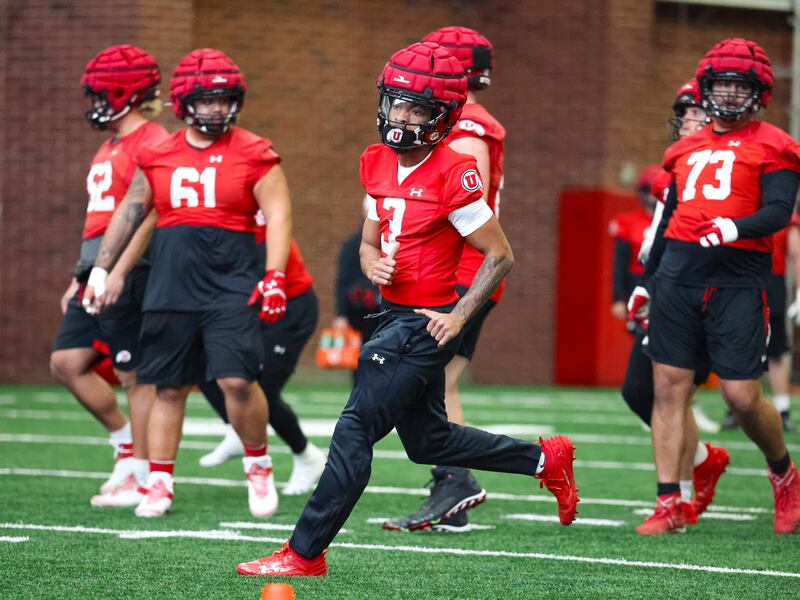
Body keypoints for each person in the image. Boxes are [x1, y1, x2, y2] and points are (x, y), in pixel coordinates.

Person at [236, 41, 578, 577]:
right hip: (391, 313)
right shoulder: (375, 160)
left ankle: (304, 553)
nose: (401, 117)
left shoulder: (454, 171)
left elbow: (500, 255)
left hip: (422, 323)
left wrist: (459, 316)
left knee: (354, 429)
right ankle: (543, 460)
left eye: (417, 109)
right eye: (396, 104)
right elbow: (369, 241)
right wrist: (373, 265)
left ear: (442, 117)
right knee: (429, 441)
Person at [83, 48, 292, 519]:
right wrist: (104, 269)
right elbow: (134, 213)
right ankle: (159, 481)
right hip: (171, 284)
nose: (217, 109)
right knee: (168, 387)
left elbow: (279, 215)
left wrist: (274, 276)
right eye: (207, 100)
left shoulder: (255, 151)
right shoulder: (158, 154)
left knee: (237, 380)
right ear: (184, 102)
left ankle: (258, 464)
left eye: (224, 100)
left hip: (230, 284)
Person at [629, 38, 800, 535]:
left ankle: (783, 472)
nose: (728, 93)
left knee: (741, 396)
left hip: (738, 278)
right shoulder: (682, 149)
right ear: (707, 88)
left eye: (739, 85)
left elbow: (779, 211)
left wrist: (734, 228)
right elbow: (667, 222)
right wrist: (647, 283)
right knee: (668, 388)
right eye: (722, 84)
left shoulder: (775, 144)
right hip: (678, 276)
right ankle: (668, 501)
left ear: (758, 92)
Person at [383, 26, 508, 533]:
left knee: (436, 381)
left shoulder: (470, 126)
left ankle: (457, 481)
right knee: (429, 383)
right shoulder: (460, 119)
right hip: (450, 268)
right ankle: (453, 482)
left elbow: (463, 198)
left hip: (459, 270)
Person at [50, 45, 167, 508]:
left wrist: (117, 270)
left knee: (131, 373)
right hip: (94, 269)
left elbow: (148, 213)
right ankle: (124, 445)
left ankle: (141, 472)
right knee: (67, 361)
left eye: (102, 94)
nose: (96, 103)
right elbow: (99, 218)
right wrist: (79, 275)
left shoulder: (152, 139)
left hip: (130, 269)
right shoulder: (110, 143)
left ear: (126, 93)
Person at [622, 81, 730, 525]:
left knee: (682, 393)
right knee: (641, 391)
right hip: (665, 285)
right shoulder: (678, 165)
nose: (687, 121)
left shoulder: (723, 167)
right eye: (684, 113)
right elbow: (662, 233)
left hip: (705, 290)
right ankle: (702, 462)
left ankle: (681, 494)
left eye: (695, 112)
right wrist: (647, 284)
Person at [198, 226, 327, 496]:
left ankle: (306, 455)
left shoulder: (260, 219)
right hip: (247, 307)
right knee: (203, 366)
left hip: (289, 306)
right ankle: (236, 429)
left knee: (259, 391)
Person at [723, 214, 800, 433]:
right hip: (739, 280)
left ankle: (782, 409)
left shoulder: (786, 216)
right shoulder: (739, 207)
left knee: (775, 348)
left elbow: (796, 255)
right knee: (737, 345)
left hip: (770, 281)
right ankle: (735, 405)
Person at [610, 165, 660, 324]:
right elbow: (620, 262)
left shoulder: (673, 221)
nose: (651, 196)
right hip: (637, 283)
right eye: (647, 190)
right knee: (641, 330)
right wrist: (617, 298)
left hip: (664, 284)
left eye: (655, 190)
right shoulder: (628, 223)